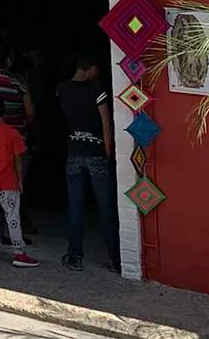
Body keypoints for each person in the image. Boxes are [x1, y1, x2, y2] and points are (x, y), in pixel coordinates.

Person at [56, 55, 121, 272]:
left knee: (75, 206)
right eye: (96, 69)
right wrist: (109, 156)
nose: (98, 73)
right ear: (89, 68)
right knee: (105, 207)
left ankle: (75, 256)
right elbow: (106, 127)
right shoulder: (96, 90)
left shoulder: (62, 89)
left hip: (74, 151)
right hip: (96, 154)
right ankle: (115, 259)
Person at [0, 91, 39, 268]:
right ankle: (18, 252)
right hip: (8, 182)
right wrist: (19, 179)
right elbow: (18, 158)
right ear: (5, 111)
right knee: (12, 217)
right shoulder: (13, 133)